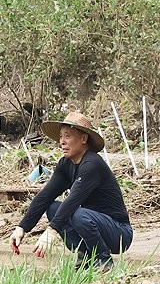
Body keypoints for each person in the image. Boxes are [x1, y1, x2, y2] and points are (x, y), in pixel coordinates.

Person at [9, 111, 133, 271]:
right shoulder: (65, 164)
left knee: (76, 213)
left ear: (83, 139)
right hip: (91, 223)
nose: (62, 142)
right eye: (61, 137)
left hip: (118, 232)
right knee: (53, 207)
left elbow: (73, 200)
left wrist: (51, 232)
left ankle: (103, 260)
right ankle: (85, 258)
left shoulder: (92, 164)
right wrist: (22, 228)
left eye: (67, 136)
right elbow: (45, 196)